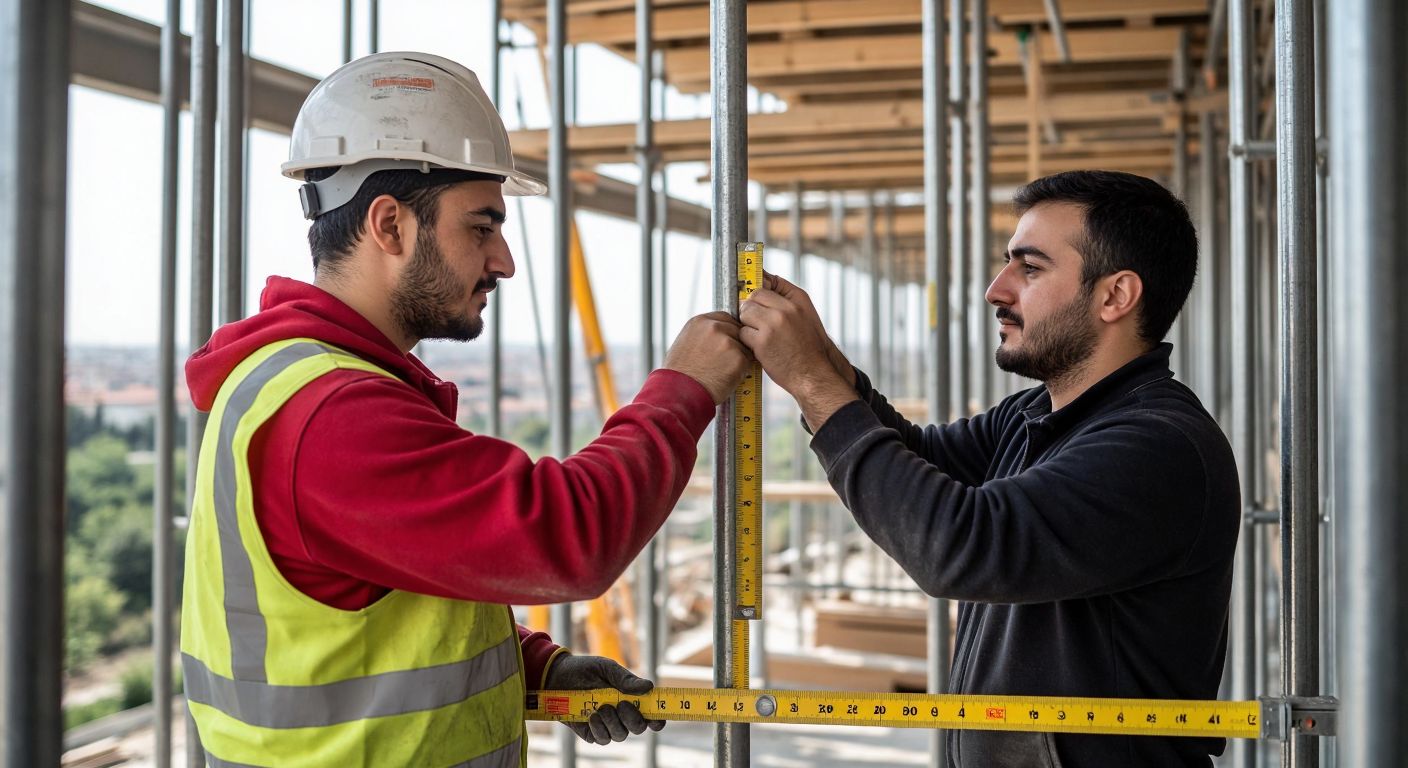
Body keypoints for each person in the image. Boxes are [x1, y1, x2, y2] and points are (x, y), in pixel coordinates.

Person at [179, 51, 750, 767]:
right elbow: (565, 536)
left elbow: (378, 601)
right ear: (390, 226)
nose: (504, 260)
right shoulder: (333, 416)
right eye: (480, 226)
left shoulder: (305, 386)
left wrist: (532, 665)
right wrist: (685, 387)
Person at [739, 170, 1240, 767]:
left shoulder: (1157, 447)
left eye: (1030, 268)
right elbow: (921, 460)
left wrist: (811, 382)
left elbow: (961, 545)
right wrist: (822, 360)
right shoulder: (1040, 413)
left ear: (1115, 296)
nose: (996, 289)